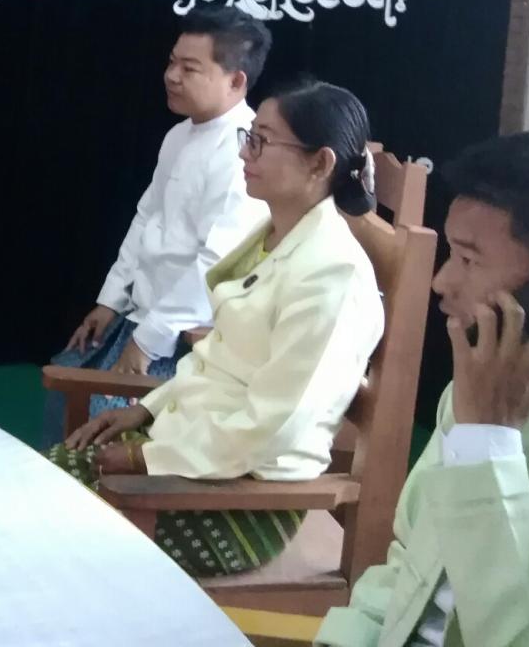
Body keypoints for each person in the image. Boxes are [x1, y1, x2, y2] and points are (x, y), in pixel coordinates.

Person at [317, 131, 529, 647]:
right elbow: (406, 566)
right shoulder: (480, 389)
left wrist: (489, 442)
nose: (441, 282)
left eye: (468, 259)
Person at [49, 80, 385, 578]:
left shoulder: (332, 276)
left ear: (320, 163)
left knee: (44, 526)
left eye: (261, 142)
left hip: (243, 496)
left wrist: (145, 458)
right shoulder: (274, 235)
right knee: (33, 486)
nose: (244, 153)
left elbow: (273, 427)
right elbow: (222, 362)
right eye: (249, 137)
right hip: (195, 449)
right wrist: (148, 408)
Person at [52, 7, 271, 434]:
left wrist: (146, 342)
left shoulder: (241, 152)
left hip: (185, 338)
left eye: (189, 68)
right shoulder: (179, 134)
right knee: (66, 373)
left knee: (98, 420)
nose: (171, 76)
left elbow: (217, 264)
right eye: (172, 62)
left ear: (236, 81)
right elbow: (146, 217)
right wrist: (110, 301)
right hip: (142, 313)